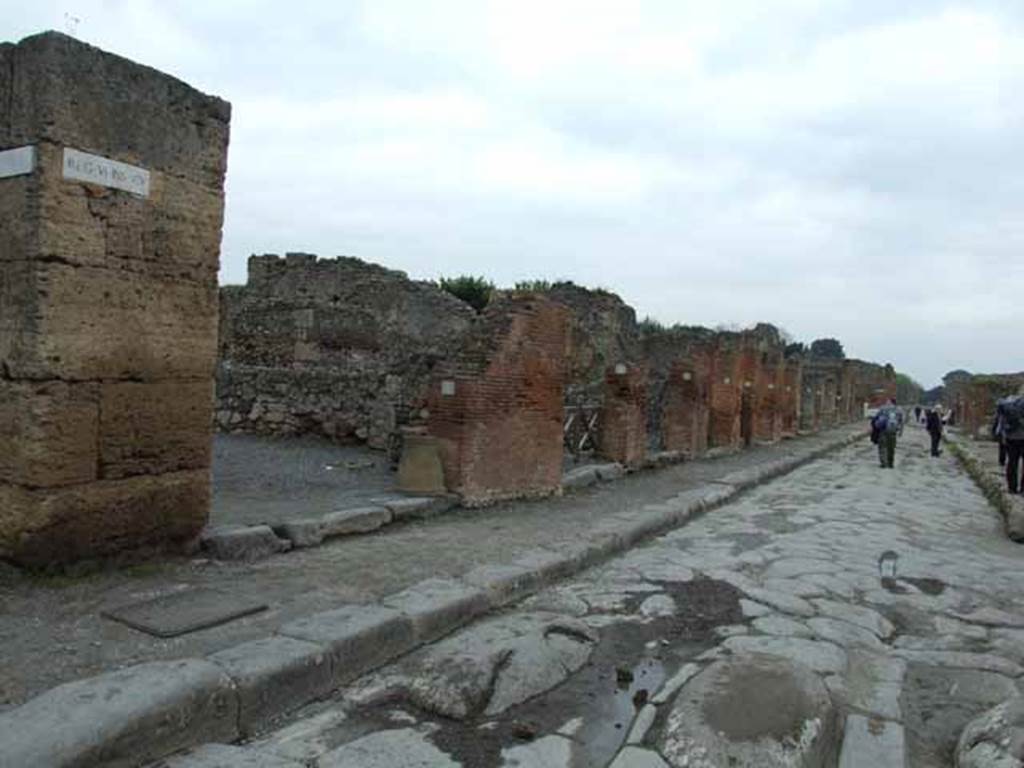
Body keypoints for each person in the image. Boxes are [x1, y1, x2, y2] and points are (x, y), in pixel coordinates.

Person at [998, 393, 1024, 494]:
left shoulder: (1007, 405)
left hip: (1011, 437)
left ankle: (1012, 488)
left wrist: (1003, 436)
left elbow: (1002, 422)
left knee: (1012, 463)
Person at [871, 399, 904, 468]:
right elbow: (901, 422)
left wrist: (876, 426)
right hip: (893, 432)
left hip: (883, 431)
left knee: (882, 447)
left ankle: (883, 463)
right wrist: (900, 432)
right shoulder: (898, 410)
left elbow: (876, 418)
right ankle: (890, 463)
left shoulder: (883, 408)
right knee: (891, 448)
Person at [992, 401, 1009, 468]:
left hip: (1002, 433)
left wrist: (994, 432)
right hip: (1010, 433)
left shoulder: (1000, 414)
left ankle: (1002, 461)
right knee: (1008, 448)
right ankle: (1005, 461)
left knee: (1002, 447)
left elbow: (997, 424)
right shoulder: (1011, 413)